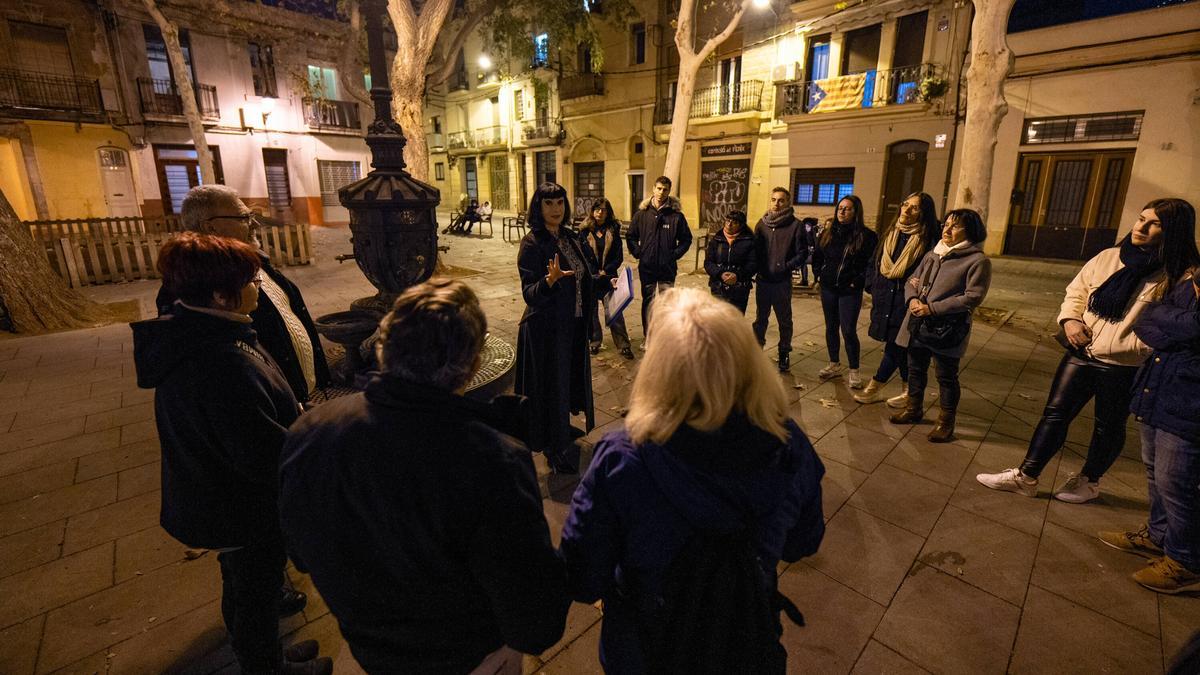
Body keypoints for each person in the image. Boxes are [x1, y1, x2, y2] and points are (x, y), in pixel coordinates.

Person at [279, 279, 570, 672]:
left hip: (373, 650)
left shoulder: (310, 433)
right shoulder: (492, 462)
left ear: (383, 349)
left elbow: (302, 552)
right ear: (471, 365)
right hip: (468, 658)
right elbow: (534, 622)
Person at [560, 288, 825, 673]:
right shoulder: (786, 444)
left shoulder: (623, 458)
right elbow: (804, 541)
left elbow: (582, 575)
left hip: (645, 651)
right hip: (744, 644)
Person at [132, 233, 330, 675]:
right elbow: (260, 453)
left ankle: (263, 656)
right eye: (251, 281)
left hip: (219, 495)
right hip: (239, 504)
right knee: (255, 590)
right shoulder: (219, 361)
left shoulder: (203, 332)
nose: (258, 288)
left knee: (242, 580)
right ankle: (266, 667)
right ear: (222, 295)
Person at [977, 198, 1199, 502]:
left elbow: (1174, 325)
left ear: (1173, 231)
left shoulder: (1180, 275)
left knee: (1108, 427)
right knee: (1055, 414)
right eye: (1140, 218)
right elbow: (1076, 293)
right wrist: (1070, 321)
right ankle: (1026, 476)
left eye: (1154, 224)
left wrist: (1135, 347)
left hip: (1126, 366)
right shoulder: (1109, 257)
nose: (1141, 228)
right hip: (1082, 353)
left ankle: (1089, 480)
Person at [159, 184, 328, 407]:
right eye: (243, 217)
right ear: (211, 227)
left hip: (291, 398)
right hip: (265, 402)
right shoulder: (187, 287)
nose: (254, 223)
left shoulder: (253, 261)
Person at [1098, 256, 1200, 594]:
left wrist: (1170, 321)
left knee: (1178, 482)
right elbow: (1146, 320)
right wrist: (1175, 322)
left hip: (1189, 401)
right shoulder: (1189, 283)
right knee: (1156, 471)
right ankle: (1158, 537)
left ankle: (1185, 562)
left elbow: (1188, 325)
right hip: (1158, 388)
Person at [891, 209, 991, 443]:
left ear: (970, 231)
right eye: (945, 224)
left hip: (947, 328)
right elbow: (912, 280)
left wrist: (932, 308)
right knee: (915, 368)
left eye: (955, 226)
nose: (947, 230)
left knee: (946, 376)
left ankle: (946, 422)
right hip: (919, 323)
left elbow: (972, 297)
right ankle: (913, 408)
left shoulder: (977, 261)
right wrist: (913, 299)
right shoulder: (933, 254)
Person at [515, 182, 595, 473]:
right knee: (550, 388)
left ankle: (561, 430)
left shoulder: (569, 238)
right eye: (549, 204)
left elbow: (582, 276)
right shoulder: (533, 243)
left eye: (560, 203)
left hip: (572, 324)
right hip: (544, 331)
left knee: (567, 382)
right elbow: (529, 293)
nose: (556, 209)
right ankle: (553, 447)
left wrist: (603, 282)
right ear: (539, 207)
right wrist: (548, 282)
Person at [854, 192, 941, 406]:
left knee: (897, 345)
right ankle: (908, 391)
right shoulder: (892, 234)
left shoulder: (928, 240)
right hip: (885, 298)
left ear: (924, 213)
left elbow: (928, 274)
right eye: (905, 205)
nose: (907, 210)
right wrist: (871, 285)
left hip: (907, 302)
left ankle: (875, 385)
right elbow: (874, 261)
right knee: (901, 346)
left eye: (914, 207)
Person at [810, 195, 877, 388]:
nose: (842, 211)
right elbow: (817, 256)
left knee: (848, 330)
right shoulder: (829, 232)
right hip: (829, 287)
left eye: (847, 209)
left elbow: (870, 264)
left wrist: (858, 282)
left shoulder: (867, 236)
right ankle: (834, 364)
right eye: (840, 208)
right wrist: (819, 275)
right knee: (831, 326)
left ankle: (854, 370)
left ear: (856, 212)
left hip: (849, 290)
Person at [626, 175, 692, 338]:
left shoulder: (676, 216)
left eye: (665, 189)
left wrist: (674, 255)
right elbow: (630, 236)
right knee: (648, 302)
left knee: (666, 304)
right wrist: (638, 252)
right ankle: (648, 336)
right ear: (653, 189)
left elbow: (686, 239)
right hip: (647, 267)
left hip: (667, 268)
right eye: (659, 188)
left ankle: (663, 338)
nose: (661, 192)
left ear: (669, 191)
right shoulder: (642, 214)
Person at [751, 188, 807, 371]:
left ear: (788, 203)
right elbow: (755, 250)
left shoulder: (795, 225)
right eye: (773, 199)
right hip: (763, 280)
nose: (776, 203)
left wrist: (784, 266)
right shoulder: (762, 224)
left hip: (782, 282)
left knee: (784, 320)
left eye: (781, 200)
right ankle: (757, 351)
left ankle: (784, 352)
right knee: (761, 318)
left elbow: (802, 253)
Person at [580, 198, 634, 359]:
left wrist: (606, 270)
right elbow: (582, 255)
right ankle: (594, 342)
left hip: (609, 277)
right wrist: (594, 272)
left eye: (604, 209)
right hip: (591, 277)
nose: (600, 212)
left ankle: (623, 345)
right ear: (592, 211)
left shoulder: (613, 229)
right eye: (597, 209)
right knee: (591, 312)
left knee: (615, 311)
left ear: (608, 212)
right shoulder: (584, 231)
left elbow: (618, 256)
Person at [704, 210, 757, 314]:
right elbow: (708, 262)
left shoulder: (749, 241)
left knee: (735, 321)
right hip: (718, 287)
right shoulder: (716, 240)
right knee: (718, 320)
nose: (729, 224)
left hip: (739, 290)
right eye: (727, 221)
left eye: (734, 222)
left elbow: (753, 264)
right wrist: (720, 274)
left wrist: (737, 275)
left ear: (741, 225)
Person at [798, 217, 819, 287]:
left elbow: (812, 240)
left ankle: (805, 280)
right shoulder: (814, 230)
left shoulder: (809, 228)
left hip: (809, 249)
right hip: (810, 249)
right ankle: (808, 280)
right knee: (808, 265)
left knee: (804, 264)